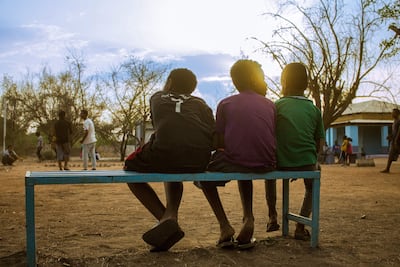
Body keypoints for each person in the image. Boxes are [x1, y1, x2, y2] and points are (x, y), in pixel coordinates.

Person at [124, 68, 215, 252]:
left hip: (164, 152)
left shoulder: (157, 97)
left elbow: (162, 124)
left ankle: (167, 218)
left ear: (170, 82)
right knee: (174, 166)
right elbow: (212, 133)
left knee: (130, 168)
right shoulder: (200, 103)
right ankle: (169, 218)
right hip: (198, 157)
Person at [196, 59, 276, 249]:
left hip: (238, 160)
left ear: (235, 81)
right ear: (255, 79)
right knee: (245, 163)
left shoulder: (226, 103)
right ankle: (248, 218)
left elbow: (220, 142)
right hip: (267, 162)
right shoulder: (270, 104)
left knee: (202, 175)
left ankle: (225, 226)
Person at [265, 62, 325, 241]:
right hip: (306, 162)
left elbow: (269, 135)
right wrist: (313, 160)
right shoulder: (314, 109)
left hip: (280, 162)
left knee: (270, 174)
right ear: (306, 84)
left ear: (284, 82)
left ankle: (272, 216)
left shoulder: (277, 106)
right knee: (312, 184)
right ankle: (300, 225)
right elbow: (319, 142)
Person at [381, 108, 400, 173]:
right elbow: (394, 131)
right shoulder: (394, 121)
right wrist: (390, 136)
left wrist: (396, 140)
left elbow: (399, 131)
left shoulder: (399, 121)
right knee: (391, 154)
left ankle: (387, 168)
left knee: (392, 153)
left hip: (398, 141)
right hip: (394, 140)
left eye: (393, 113)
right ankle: (387, 168)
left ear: (397, 114)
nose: (392, 114)